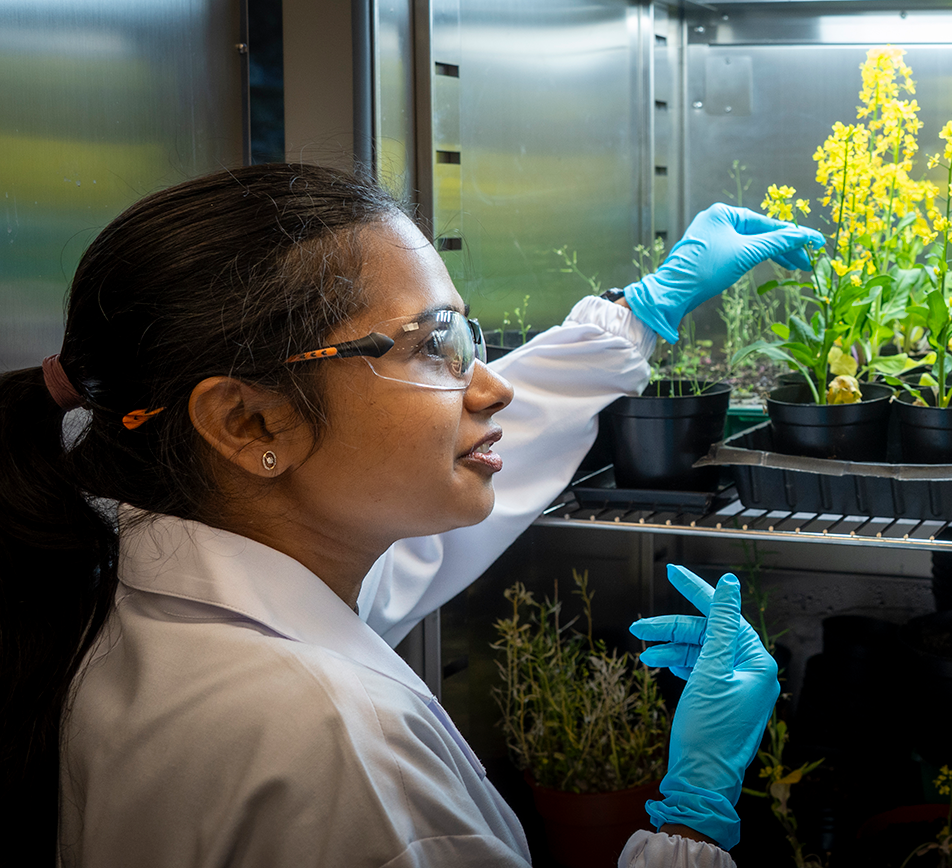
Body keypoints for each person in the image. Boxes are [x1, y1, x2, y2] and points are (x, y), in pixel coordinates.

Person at [0, 163, 821, 866]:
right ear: (247, 423)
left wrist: (636, 314)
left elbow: (412, 521)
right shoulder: (336, 750)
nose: (492, 387)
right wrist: (689, 819)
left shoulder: (119, 585)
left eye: (467, 338)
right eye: (435, 343)